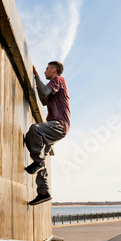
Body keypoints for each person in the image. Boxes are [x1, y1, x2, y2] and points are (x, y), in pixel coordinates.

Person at [25, 61, 70, 206]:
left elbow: (44, 92)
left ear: (54, 70)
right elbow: (43, 99)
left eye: (46, 69)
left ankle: (37, 163)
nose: (45, 72)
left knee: (35, 129)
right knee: (39, 153)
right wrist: (37, 78)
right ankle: (43, 192)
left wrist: (36, 76)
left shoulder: (58, 80)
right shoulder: (53, 87)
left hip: (59, 124)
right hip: (57, 127)